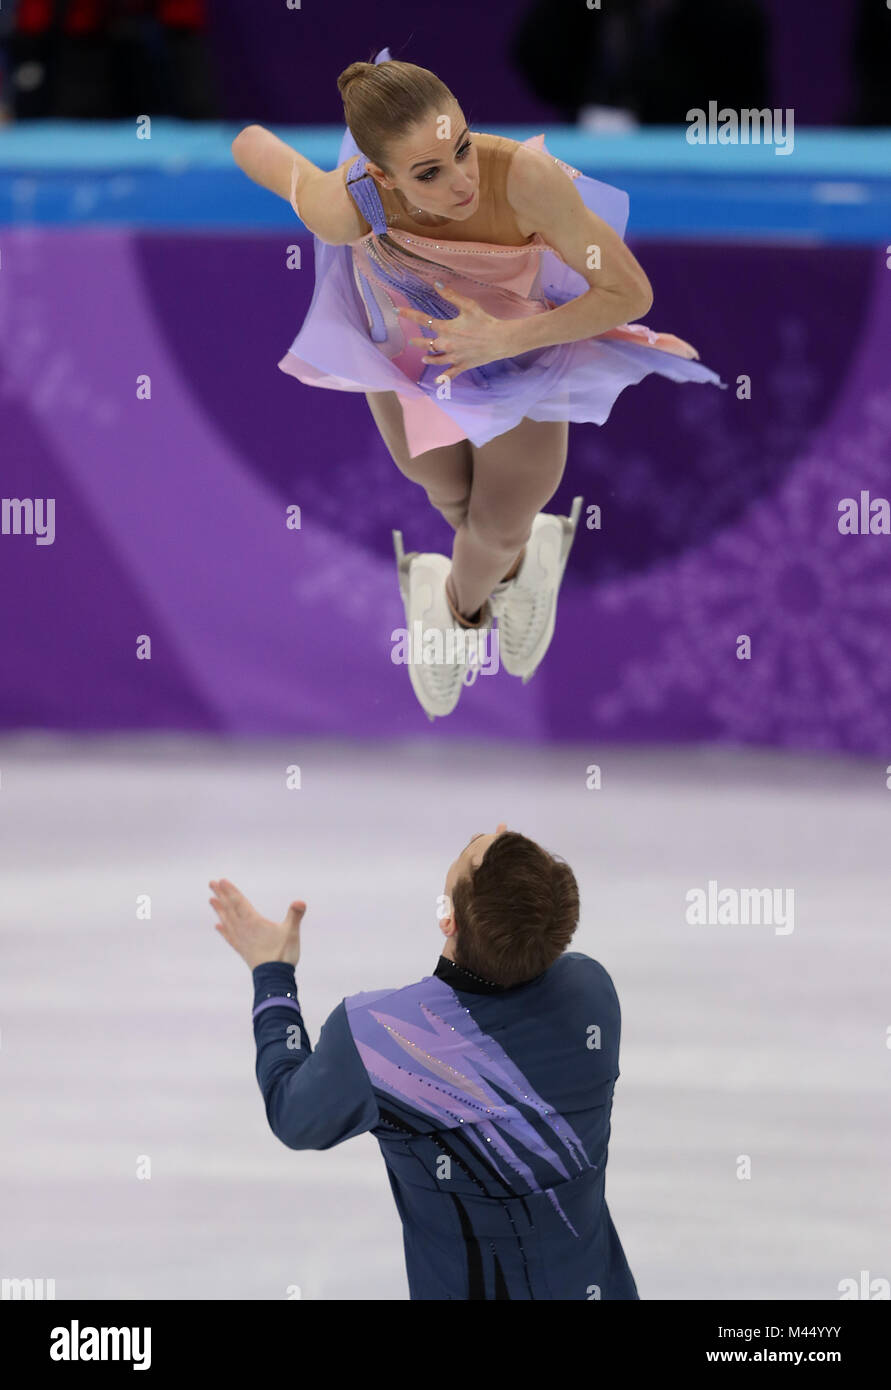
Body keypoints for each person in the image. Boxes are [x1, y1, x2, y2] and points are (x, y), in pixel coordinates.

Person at [231, 48, 723, 719]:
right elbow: (247, 143)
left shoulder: (526, 179)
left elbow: (627, 291)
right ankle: (526, 561)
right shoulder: (345, 206)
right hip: (405, 352)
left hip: (521, 353)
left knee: (491, 524)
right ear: (381, 177)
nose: (461, 180)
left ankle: (453, 617)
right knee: (448, 495)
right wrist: (288, 168)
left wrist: (506, 337)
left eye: (461, 147)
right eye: (429, 173)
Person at [210, 823, 639, 1301]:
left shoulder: (381, 1041)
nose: (495, 830)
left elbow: (294, 1116)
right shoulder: (591, 995)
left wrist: (273, 975)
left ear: (449, 920)